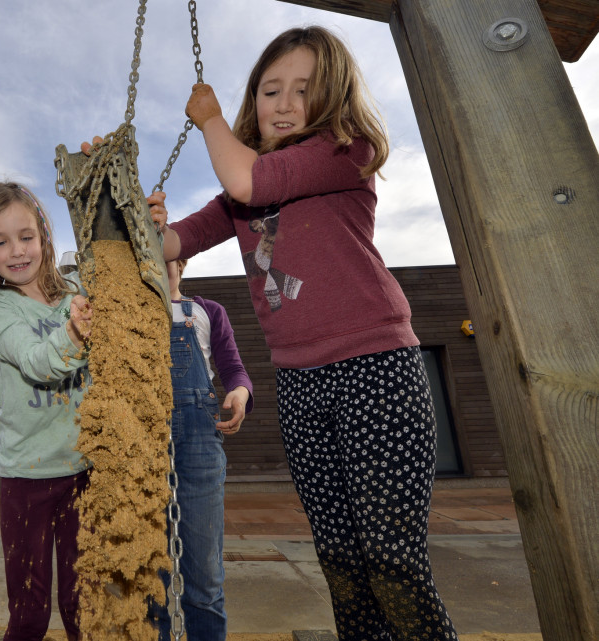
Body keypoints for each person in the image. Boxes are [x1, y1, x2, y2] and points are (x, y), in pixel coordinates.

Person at [151, 26, 459, 641]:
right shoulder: (239, 199)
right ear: (255, 102)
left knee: (392, 560)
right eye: (271, 90)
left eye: (304, 90)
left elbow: (249, 182)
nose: (285, 104)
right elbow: (171, 244)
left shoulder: (347, 150)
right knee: (342, 562)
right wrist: (143, 215)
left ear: (333, 98)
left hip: (376, 369)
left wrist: (210, 120)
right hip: (299, 383)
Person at [0, 181, 92, 641]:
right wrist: (74, 334)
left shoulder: (78, 289)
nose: (17, 251)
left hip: (84, 471)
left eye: (26, 237)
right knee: (30, 612)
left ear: (44, 238)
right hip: (26, 480)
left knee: (85, 605)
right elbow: (39, 362)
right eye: (1, 242)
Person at [149, 258, 253, 641]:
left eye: (170, 254)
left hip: (199, 444)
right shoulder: (129, 310)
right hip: (142, 442)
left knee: (205, 578)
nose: (162, 262)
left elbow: (234, 369)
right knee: (148, 576)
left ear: (183, 261)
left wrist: (240, 392)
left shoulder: (208, 312)